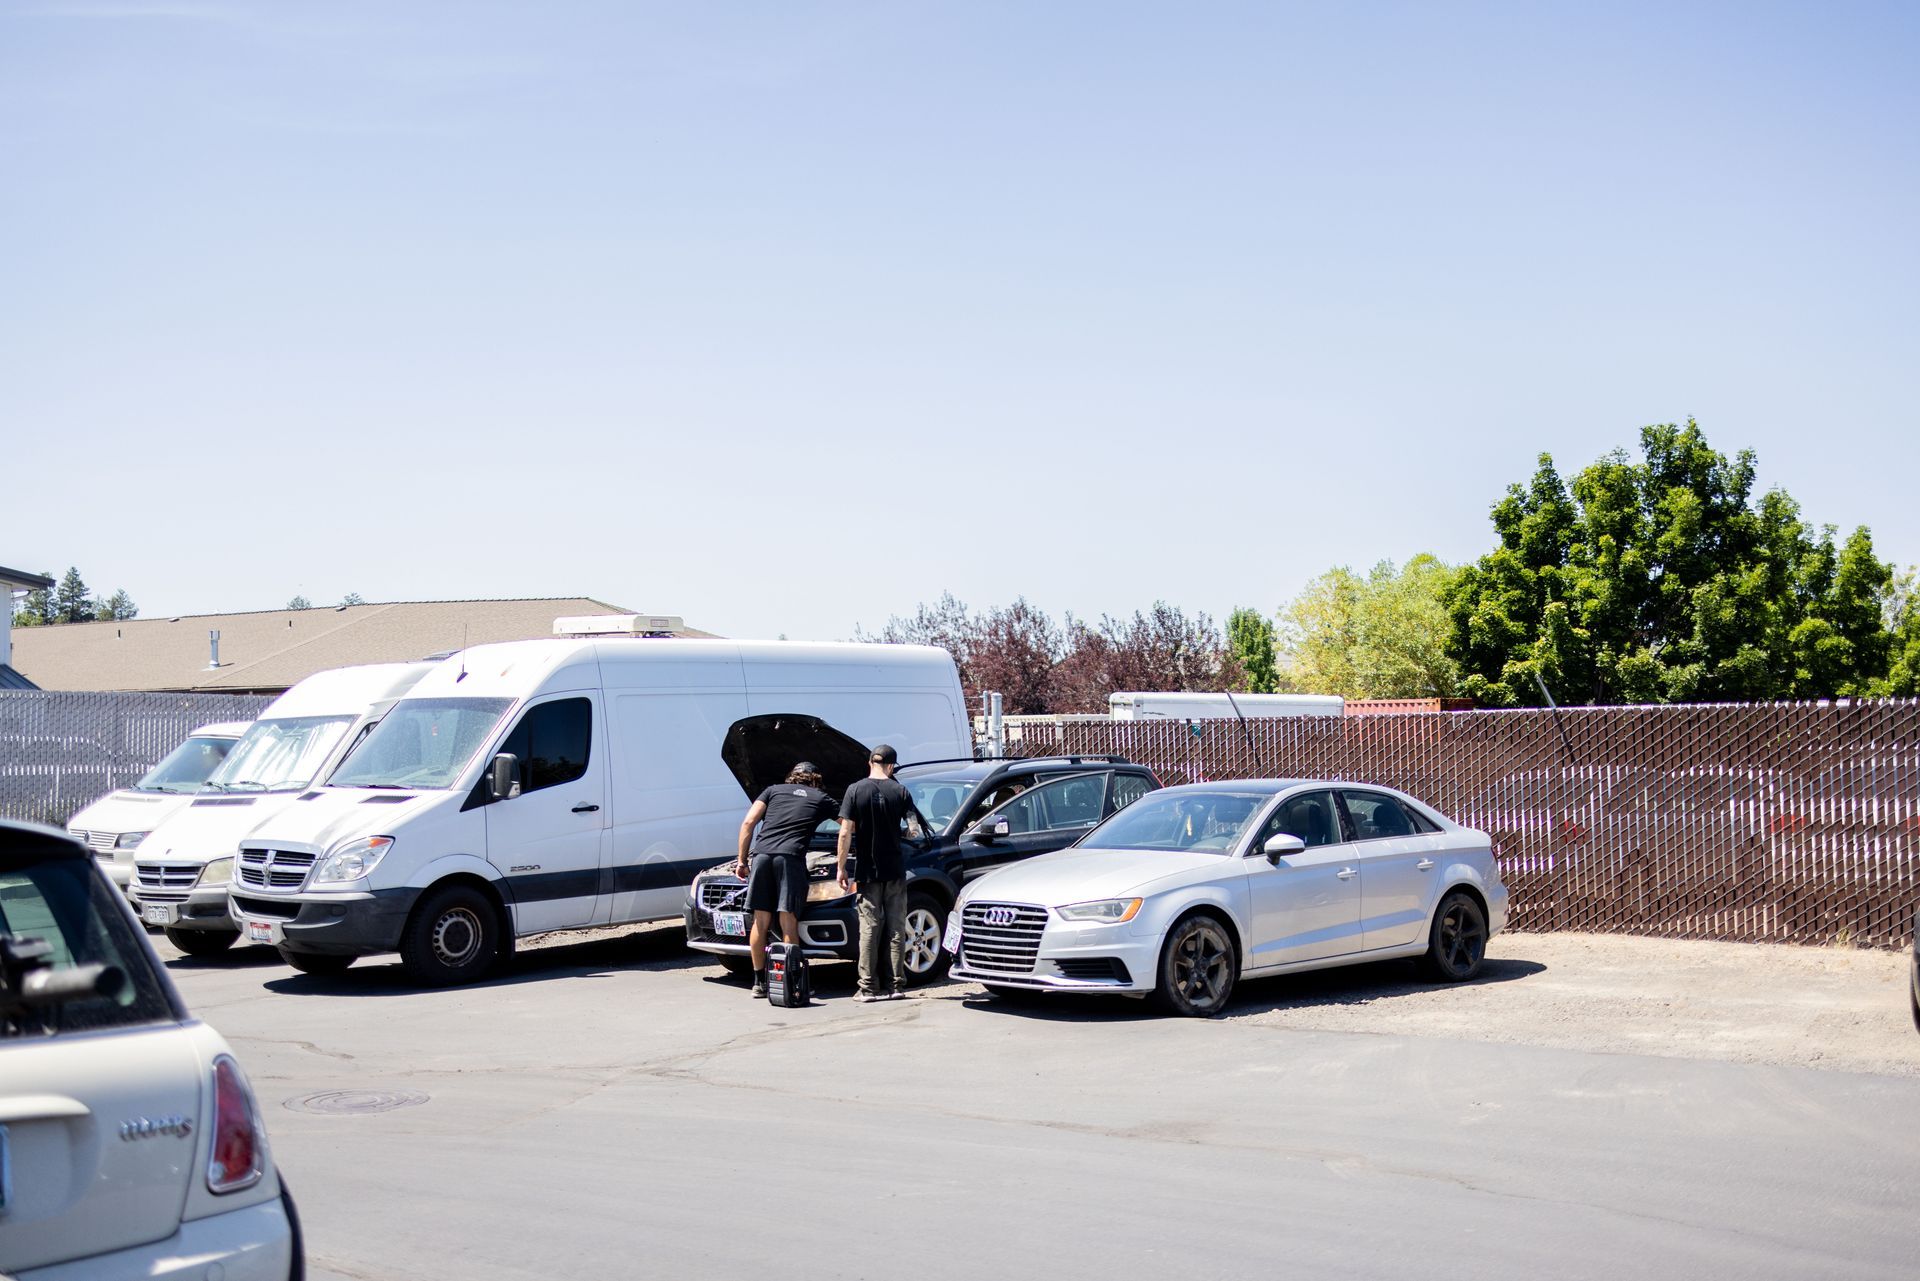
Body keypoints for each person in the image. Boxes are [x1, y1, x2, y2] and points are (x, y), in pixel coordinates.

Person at [735, 761, 838, 998]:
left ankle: (759, 982)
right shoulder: (820, 797)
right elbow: (849, 827)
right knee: (787, 919)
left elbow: (749, 822)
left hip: (761, 856)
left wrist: (742, 860)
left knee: (760, 920)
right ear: (815, 779)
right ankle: (792, 982)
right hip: (790, 858)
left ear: (791, 777)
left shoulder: (772, 790)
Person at [836, 743, 915, 1002]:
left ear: (870, 762)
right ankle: (896, 986)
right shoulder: (900, 791)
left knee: (869, 927)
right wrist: (899, 832)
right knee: (895, 927)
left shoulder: (854, 790)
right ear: (891, 766)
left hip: (867, 871)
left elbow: (846, 831)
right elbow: (913, 829)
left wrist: (841, 867)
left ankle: (868, 988)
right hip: (895, 870)